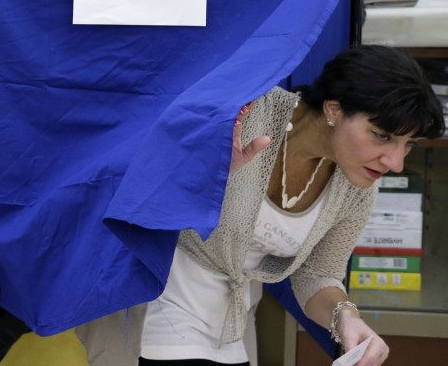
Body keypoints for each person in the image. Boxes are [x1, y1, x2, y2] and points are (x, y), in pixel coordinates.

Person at [76, 45, 445, 366]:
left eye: (408, 144)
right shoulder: (246, 111)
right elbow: (135, 179)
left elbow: (318, 274)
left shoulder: (357, 184)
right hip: (156, 306)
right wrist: (205, 176)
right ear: (333, 110)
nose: (395, 162)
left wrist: (344, 316)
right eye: (382, 136)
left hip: (232, 327)